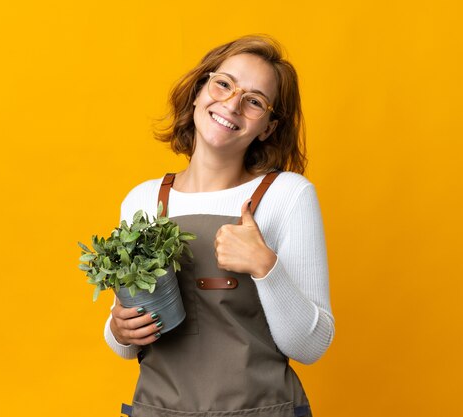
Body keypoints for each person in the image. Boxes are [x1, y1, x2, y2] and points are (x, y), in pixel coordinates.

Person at [104, 34, 334, 417]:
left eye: (255, 101)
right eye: (223, 84)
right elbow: (124, 346)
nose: (232, 104)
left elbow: (312, 346)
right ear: (198, 92)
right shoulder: (142, 201)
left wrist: (265, 267)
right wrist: (119, 329)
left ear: (268, 128)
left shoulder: (288, 196)